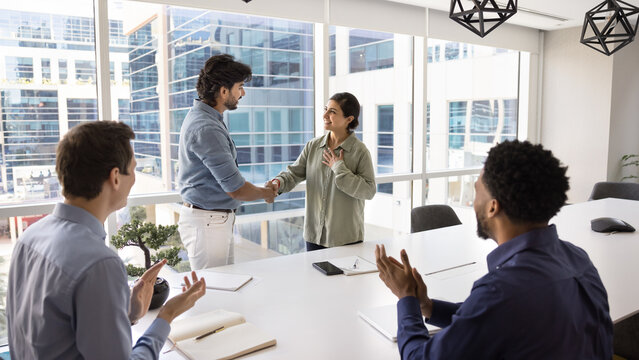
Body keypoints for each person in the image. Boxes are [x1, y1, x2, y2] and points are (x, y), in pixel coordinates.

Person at [376, 140, 613, 359]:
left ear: (492, 207)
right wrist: (427, 306)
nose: (473, 199)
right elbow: (488, 318)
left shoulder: (503, 291)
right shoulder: (578, 258)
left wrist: (406, 297)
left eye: (477, 190)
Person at [7, 121, 207, 359]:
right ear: (115, 177)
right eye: (132, 169)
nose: (134, 179)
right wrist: (167, 315)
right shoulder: (98, 264)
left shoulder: (29, 238)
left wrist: (128, 311)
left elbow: (55, 331)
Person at [178, 54, 276, 270]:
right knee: (211, 291)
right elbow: (236, 190)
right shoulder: (207, 128)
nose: (243, 93)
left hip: (212, 221)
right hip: (208, 223)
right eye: (239, 87)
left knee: (220, 287)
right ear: (223, 91)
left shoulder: (207, 118)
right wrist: (265, 193)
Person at [267, 92, 376, 251]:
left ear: (349, 119)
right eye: (326, 109)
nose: (325, 115)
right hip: (313, 236)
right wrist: (278, 182)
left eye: (332, 112)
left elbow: (369, 191)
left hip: (345, 238)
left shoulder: (360, 151)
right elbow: (293, 173)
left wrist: (339, 168)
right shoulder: (313, 146)